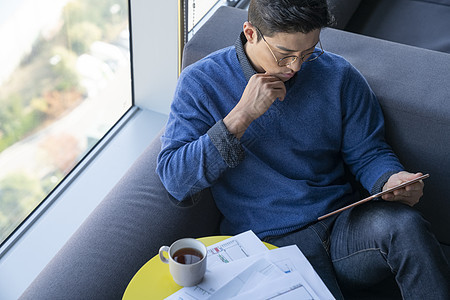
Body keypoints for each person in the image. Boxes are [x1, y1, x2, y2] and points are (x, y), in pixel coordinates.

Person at [157, 0, 450, 298]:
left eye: (308, 53)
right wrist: (240, 117)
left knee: (406, 227)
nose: (296, 67)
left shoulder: (339, 76)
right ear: (250, 33)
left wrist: (391, 179)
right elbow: (175, 180)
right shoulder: (200, 83)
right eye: (284, 55)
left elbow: (369, 151)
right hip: (270, 244)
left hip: (342, 226)